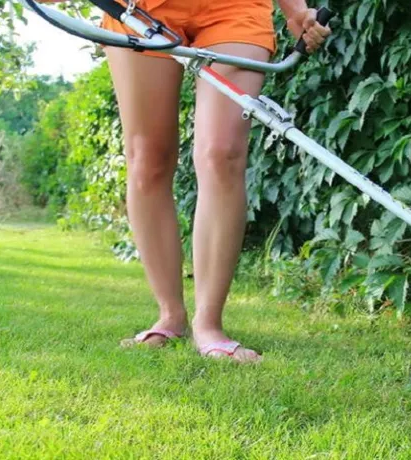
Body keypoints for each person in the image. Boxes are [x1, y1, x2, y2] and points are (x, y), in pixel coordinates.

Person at [41, 0, 331, 362]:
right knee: (148, 160)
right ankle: (170, 315)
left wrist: (295, 10)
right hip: (139, 9)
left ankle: (209, 324)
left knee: (221, 153)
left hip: (234, 9)